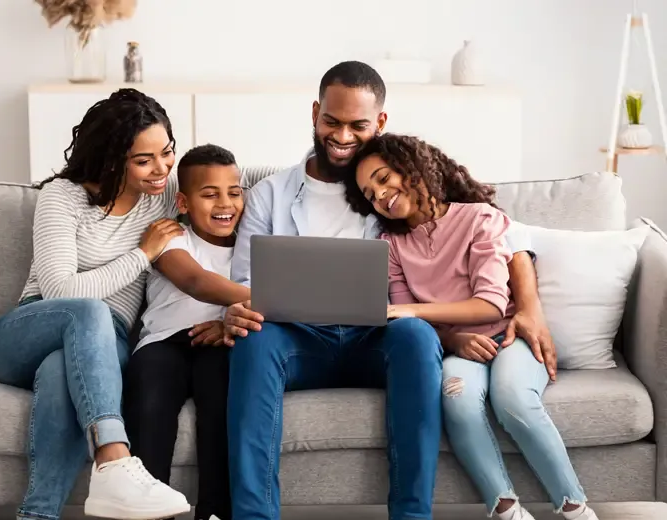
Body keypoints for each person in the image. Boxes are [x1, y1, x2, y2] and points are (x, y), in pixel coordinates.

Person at [222, 61, 558, 520]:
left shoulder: (394, 184)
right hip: (297, 340)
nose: (342, 136)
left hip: (376, 334)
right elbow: (244, 282)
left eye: (357, 125)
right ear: (315, 114)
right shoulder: (270, 194)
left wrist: (532, 306)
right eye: (332, 122)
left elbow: (507, 234)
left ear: (379, 122)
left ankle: (411, 514)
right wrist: (238, 310)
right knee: (253, 341)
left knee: (417, 335)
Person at [344, 133, 598, 520]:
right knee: (457, 399)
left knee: (512, 397)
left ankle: (575, 506)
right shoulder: (391, 244)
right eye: (369, 193)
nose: (379, 195)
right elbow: (402, 309)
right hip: (458, 345)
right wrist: (452, 338)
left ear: (411, 168)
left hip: (511, 333)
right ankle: (506, 508)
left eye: (382, 178)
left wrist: (413, 311)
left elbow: (490, 302)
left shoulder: (479, 218)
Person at [123, 144, 250, 520]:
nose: (224, 203)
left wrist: (232, 319)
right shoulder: (169, 236)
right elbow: (195, 280)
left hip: (219, 342)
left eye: (234, 192)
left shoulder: (254, 245)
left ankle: (215, 512)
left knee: (223, 405)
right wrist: (270, 299)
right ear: (182, 201)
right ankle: (148, 509)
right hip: (165, 343)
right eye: (209, 194)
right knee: (150, 403)